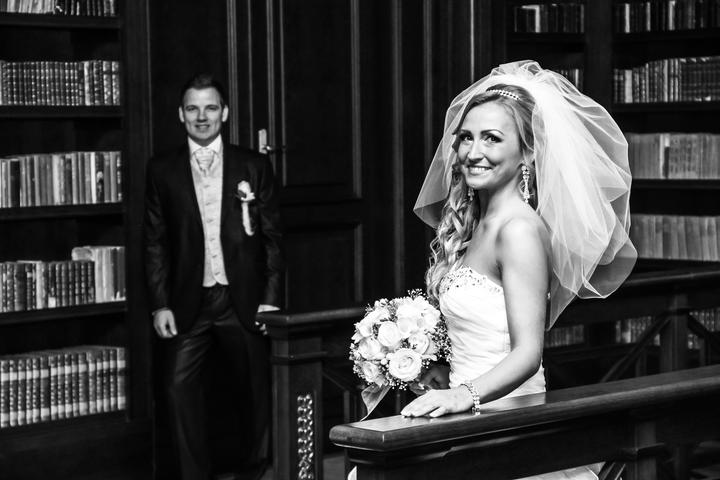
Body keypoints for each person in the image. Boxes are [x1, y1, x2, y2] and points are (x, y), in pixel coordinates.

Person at [402, 61, 637, 479]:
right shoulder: (478, 224)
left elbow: (528, 353)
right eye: (466, 137)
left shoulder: (519, 230)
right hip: (468, 415)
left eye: (492, 138)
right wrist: (442, 374)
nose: (473, 152)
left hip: (505, 421)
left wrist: (463, 395)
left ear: (527, 152)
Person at [144, 72, 283, 480]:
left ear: (224, 113)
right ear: (181, 114)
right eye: (193, 109)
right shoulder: (162, 169)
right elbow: (154, 241)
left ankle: (255, 472)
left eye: (210, 108)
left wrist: (270, 299)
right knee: (177, 388)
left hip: (243, 298)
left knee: (255, 391)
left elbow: (274, 238)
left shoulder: (253, 165)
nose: (201, 116)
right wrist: (159, 303)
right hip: (189, 300)